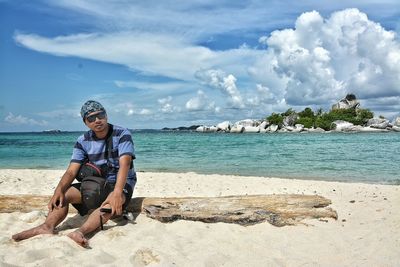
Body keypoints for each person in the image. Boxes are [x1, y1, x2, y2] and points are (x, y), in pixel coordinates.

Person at [12, 100, 137, 247]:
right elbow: (72, 170)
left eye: (100, 115)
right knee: (63, 195)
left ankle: (80, 232)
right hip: (96, 185)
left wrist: (116, 192)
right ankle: (47, 227)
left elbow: (125, 163)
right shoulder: (82, 141)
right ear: (85, 122)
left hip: (121, 183)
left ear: (106, 115)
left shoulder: (122, 133)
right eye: (91, 118)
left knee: (109, 205)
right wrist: (58, 190)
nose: (97, 120)